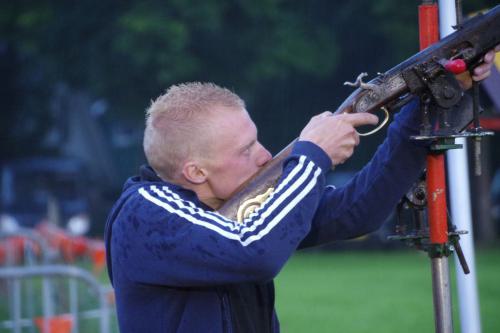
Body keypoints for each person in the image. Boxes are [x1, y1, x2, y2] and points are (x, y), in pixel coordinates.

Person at [104, 48, 499, 332]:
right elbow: (251, 251)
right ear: (194, 171)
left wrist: (426, 103)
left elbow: (356, 211)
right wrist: (312, 156)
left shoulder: (235, 204)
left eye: (256, 141)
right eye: (245, 150)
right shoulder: (144, 212)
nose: (264, 156)